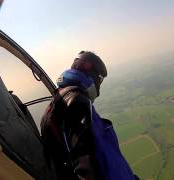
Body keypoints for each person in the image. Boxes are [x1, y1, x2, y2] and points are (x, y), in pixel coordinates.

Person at [41, 51, 138, 180]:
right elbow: (86, 171)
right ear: (91, 73)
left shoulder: (64, 98)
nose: (99, 85)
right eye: (100, 79)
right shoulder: (77, 103)